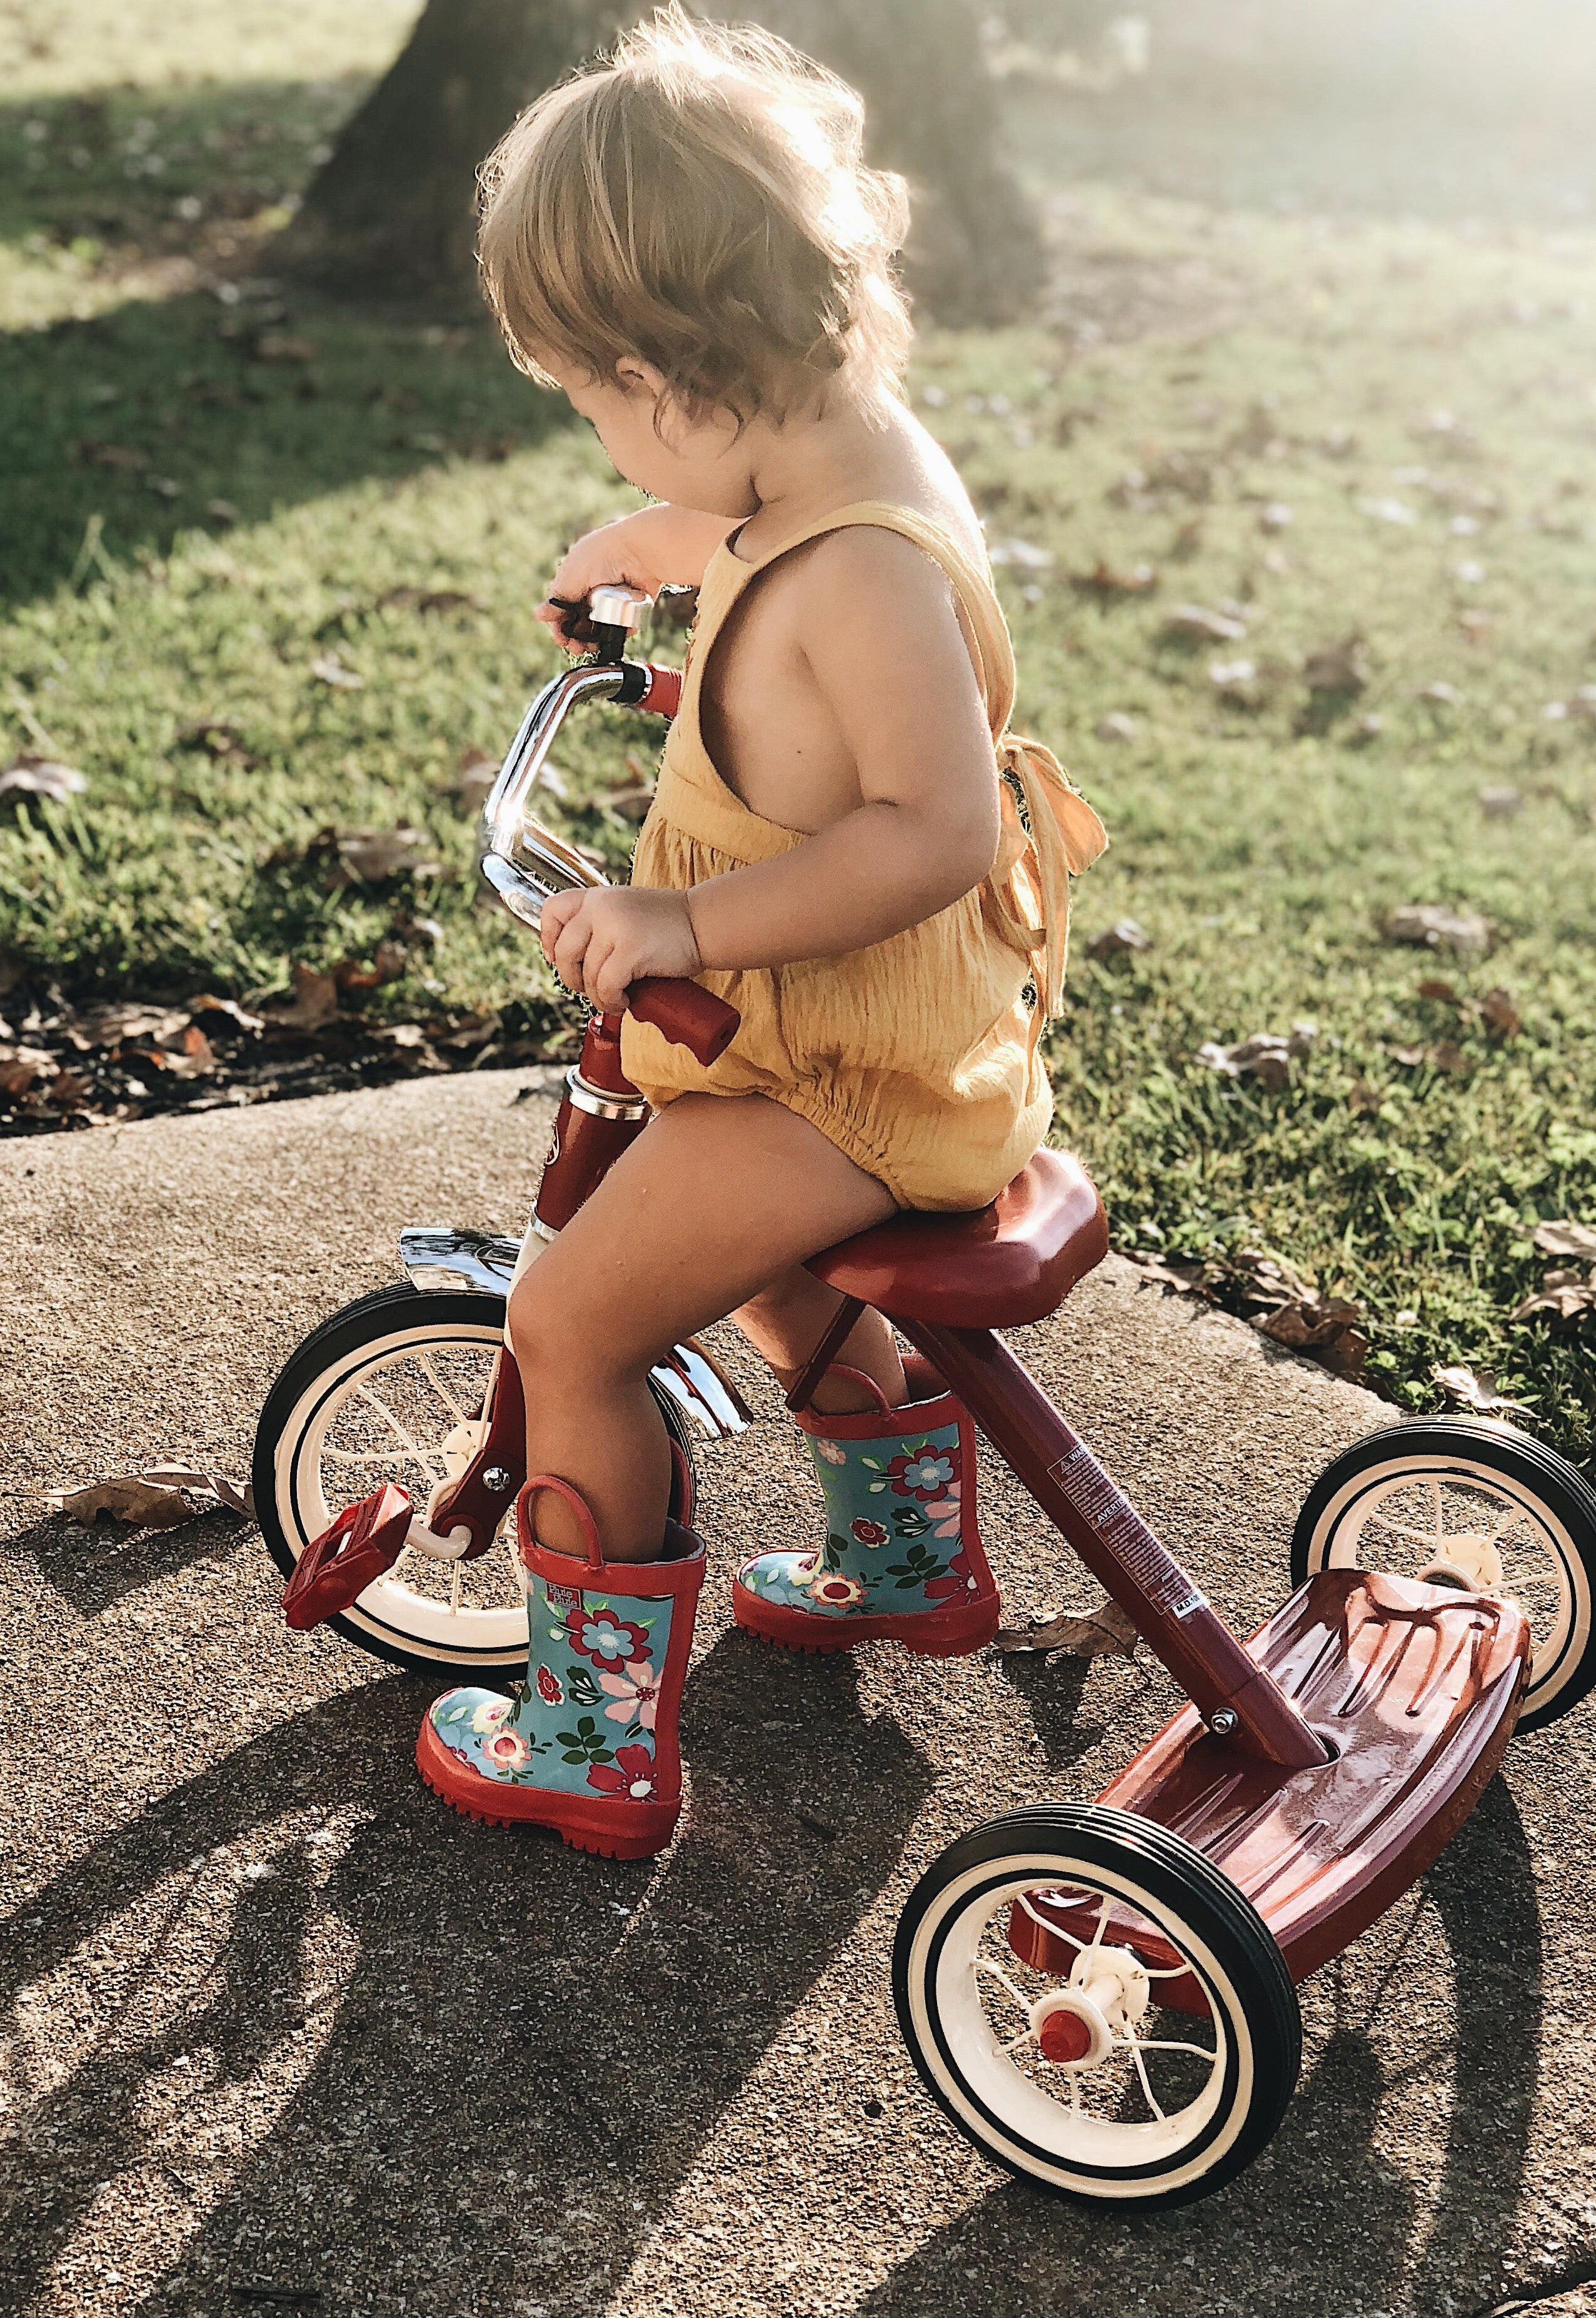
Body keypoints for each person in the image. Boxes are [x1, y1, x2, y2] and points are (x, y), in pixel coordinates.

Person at [416, 6, 1107, 1859]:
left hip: (854, 1071)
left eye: (596, 398)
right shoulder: (841, 459)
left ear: (670, 372)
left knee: (572, 1315)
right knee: (761, 1267)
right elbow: (775, 573)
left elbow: (938, 827)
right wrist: (668, 530)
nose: (598, 426)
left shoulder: (859, 567)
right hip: (849, 1050)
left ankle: (595, 1740)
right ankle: (904, 1560)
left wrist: (681, 917)